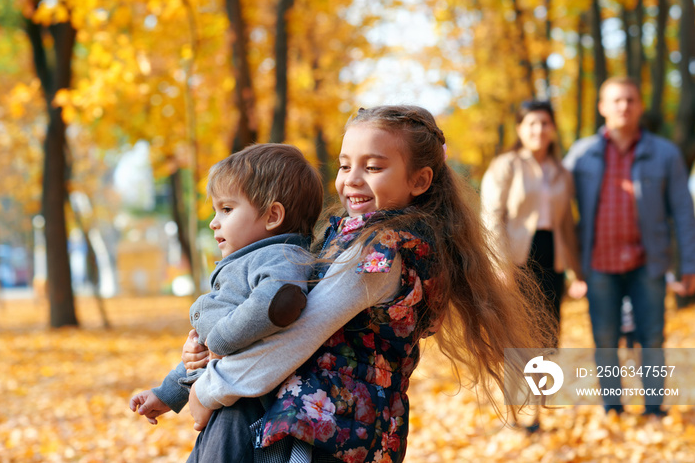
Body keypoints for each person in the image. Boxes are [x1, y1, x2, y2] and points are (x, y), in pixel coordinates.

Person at [184, 105, 552, 462]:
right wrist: (205, 356)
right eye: (345, 166)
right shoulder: (359, 237)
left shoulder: (379, 254)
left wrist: (210, 389)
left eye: (373, 167)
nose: (351, 179)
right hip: (328, 422)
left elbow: (297, 336)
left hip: (326, 431)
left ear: (419, 180)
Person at [129, 144, 324, 437]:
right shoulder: (251, 260)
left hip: (247, 408)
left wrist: (218, 339)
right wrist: (167, 393)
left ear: (273, 216)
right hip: (225, 397)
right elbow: (206, 354)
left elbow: (277, 301)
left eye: (227, 209)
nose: (213, 222)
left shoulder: (281, 257)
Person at [563, 77, 695, 417]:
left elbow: (683, 211)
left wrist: (689, 264)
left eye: (630, 100)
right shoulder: (581, 154)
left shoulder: (664, 153)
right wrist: (566, 267)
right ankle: (614, 409)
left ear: (639, 106)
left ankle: (655, 409)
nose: (624, 106)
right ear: (603, 107)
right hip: (598, 265)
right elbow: (559, 208)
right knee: (605, 342)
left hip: (647, 266)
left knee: (652, 339)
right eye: (616, 100)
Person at [481, 100, 585, 346]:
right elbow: (491, 216)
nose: (539, 130)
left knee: (549, 334)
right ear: (519, 128)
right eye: (532, 123)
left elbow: (567, 225)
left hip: (553, 259)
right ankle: (520, 386)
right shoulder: (506, 165)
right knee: (520, 336)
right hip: (517, 260)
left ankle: (545, 385)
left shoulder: (562, 172)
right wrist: (500, 265)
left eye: (545, 123)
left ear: (553, 128)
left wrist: (577, 273)